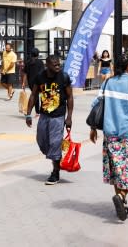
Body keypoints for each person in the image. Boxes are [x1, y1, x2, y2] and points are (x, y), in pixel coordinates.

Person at [89, 54, 128, 221]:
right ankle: (122, 197)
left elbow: (96, 106)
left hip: (110, 135)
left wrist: (93, 128)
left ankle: (121, 203)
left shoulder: (107, 83)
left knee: (117, 171)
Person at [25, 55, 74, 185]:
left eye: (59, 64)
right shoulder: (40, 77)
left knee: (55, 143)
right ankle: (55, 156)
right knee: (41, 141)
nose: (58, 66)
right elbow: (34, 95)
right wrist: (28, 114)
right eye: (55, 64)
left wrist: (69, 117)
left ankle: (55, 172)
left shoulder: (64, 77)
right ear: (48, 65)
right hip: (44, 115)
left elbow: (70, 97)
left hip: (58, 116)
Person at [22, 48, 45, 115]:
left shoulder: (28, 63)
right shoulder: (40, 62)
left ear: (31, 54)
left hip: (31, 83)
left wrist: (24, 83)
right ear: (38, 54)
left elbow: (25, 74)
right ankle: (40, 111)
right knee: (42, 95)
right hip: (40, 81)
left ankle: (37, 111)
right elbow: (43, 72)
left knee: (35, 95)